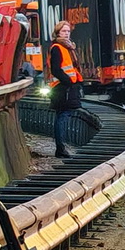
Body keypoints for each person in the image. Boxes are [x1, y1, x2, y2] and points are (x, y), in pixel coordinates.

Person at [48, 20, 83, 159]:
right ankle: (61, 148)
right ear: (58, 33)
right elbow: (56, 69)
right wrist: (68, 81)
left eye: (68, 31)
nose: (67, 34)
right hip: (62, 88)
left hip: (68, 86)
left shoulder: (69, 47)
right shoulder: (57, 47)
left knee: (62, 116)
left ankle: (61, 148)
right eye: (64, 31)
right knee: (62, 116)